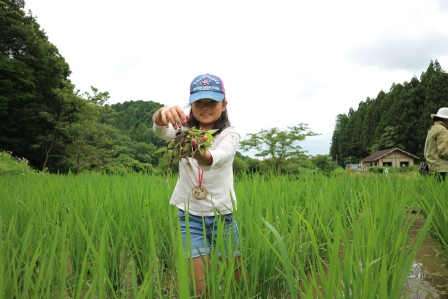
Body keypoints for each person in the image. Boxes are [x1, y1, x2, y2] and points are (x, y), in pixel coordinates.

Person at [152, 73, 242, 296]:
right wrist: (160, 114)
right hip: (190, 217)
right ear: (191, 104)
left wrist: (201, 154)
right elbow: (160, 129)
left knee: (237, 282)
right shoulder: (182, 131)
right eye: (199, 102)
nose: (205, 107)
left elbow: (218, 156)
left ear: (224, 104)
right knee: (203, 289)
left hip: (224, 217)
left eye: (212, 102)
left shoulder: (229, 134)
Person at [423, 107, 448, 181]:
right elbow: (443, 151)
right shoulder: (443, 130)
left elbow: (426, 151)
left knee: (437, 191)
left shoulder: (432, 129)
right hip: (442, 169)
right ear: (446, 119)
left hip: (432, 168)